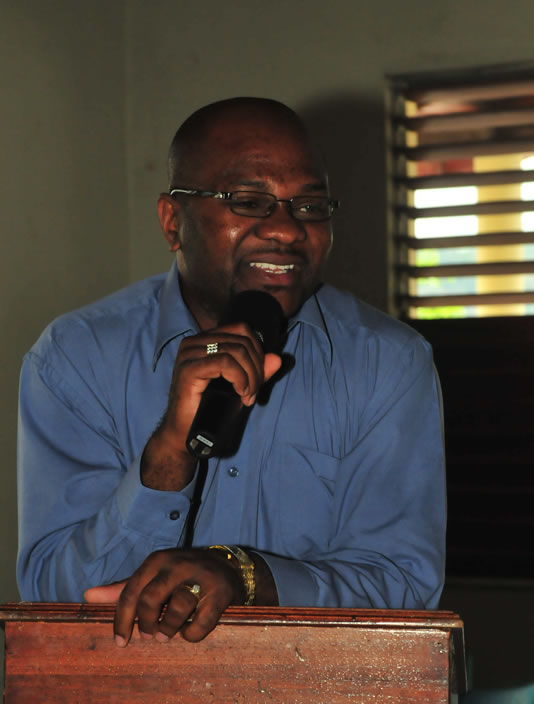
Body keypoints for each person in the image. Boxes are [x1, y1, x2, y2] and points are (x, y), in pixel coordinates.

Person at [17, 97, 446, 646]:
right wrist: (168, 456)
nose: (288, 231)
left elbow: (404, 586)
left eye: (310, 207)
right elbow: (53, 596)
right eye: (249, 201)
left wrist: (248, 577)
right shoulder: (76, 357)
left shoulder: (387, 362)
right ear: (174, 221)